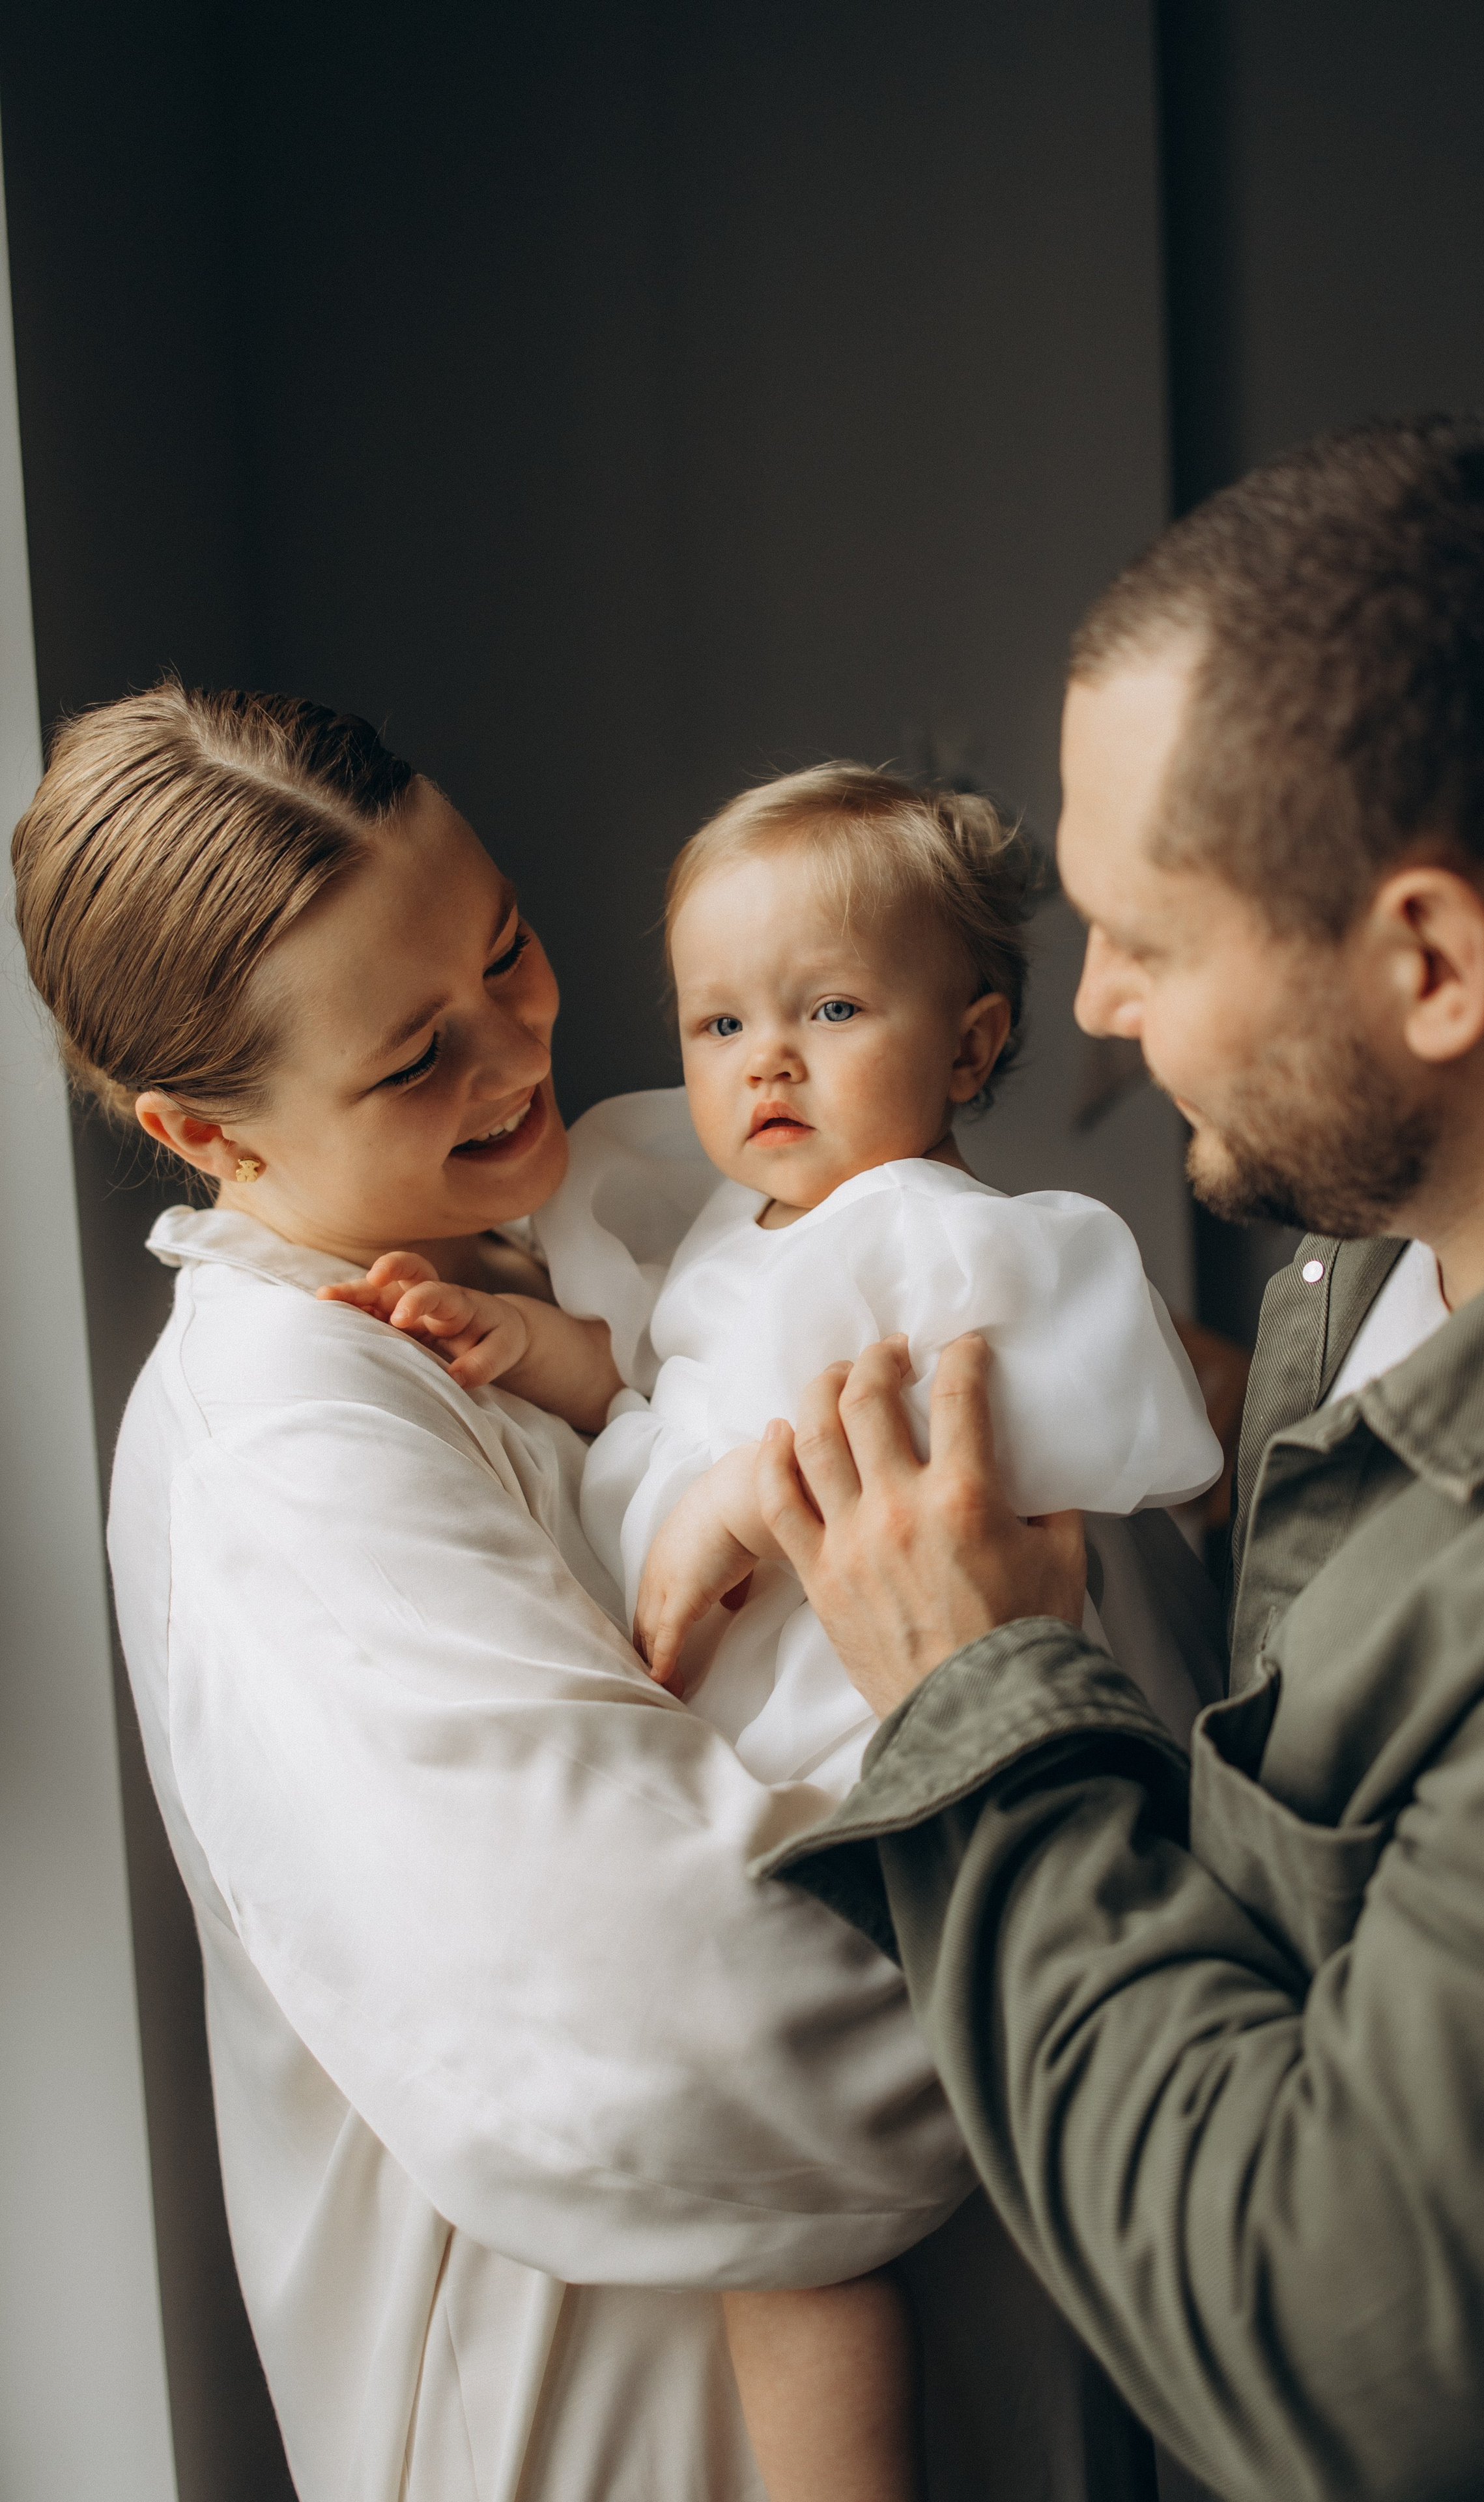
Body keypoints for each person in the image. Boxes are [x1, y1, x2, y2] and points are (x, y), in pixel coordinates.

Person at [10, 682, 1160, 2502]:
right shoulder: (280, 1445)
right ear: (205, 1133)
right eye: (413, 1058)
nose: (513, 1051)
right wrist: (1124, 1908)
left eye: (510, 952)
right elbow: (708, 2047)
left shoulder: (628, 1201)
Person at [741, 416, 1484, 2502]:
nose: (1099, 1011)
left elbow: (1335, 2352)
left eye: (1147, 936)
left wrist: (973, 1696)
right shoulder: (1354, 1282)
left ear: (1430, 965)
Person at [328, 762, 1222, 2499]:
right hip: (757, 1748)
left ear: (969, 1046)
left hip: (877, 1737)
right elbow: (667, 1387)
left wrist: (747, 1502)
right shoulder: (738, 1233)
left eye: (828, 1008)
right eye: (720, 1019)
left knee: (809, 2230)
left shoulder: (955, 1242)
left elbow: (1102, 1418)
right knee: (782, 2234)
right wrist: (536, 1359)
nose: (768, 1062)